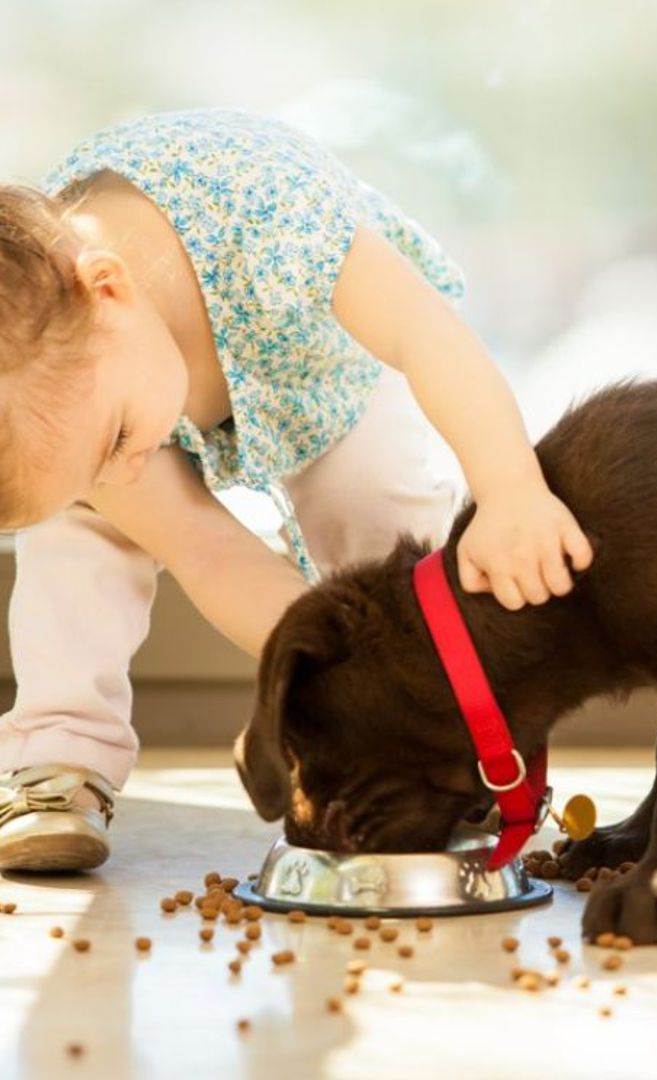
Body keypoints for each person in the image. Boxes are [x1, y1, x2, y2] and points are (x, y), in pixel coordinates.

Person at [0, 107, 592, 872]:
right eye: (91, 472)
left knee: (379, 515)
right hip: (125, 395)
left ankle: (433, 743)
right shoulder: (78, 405)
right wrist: (325, 671)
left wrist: (511, 487)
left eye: (113, 443)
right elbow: (207, 551)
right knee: (77, 544)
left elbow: (427, 336)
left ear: (109, 291)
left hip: (325, 374)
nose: (120, 476)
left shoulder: (272, 217)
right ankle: (58, 759)